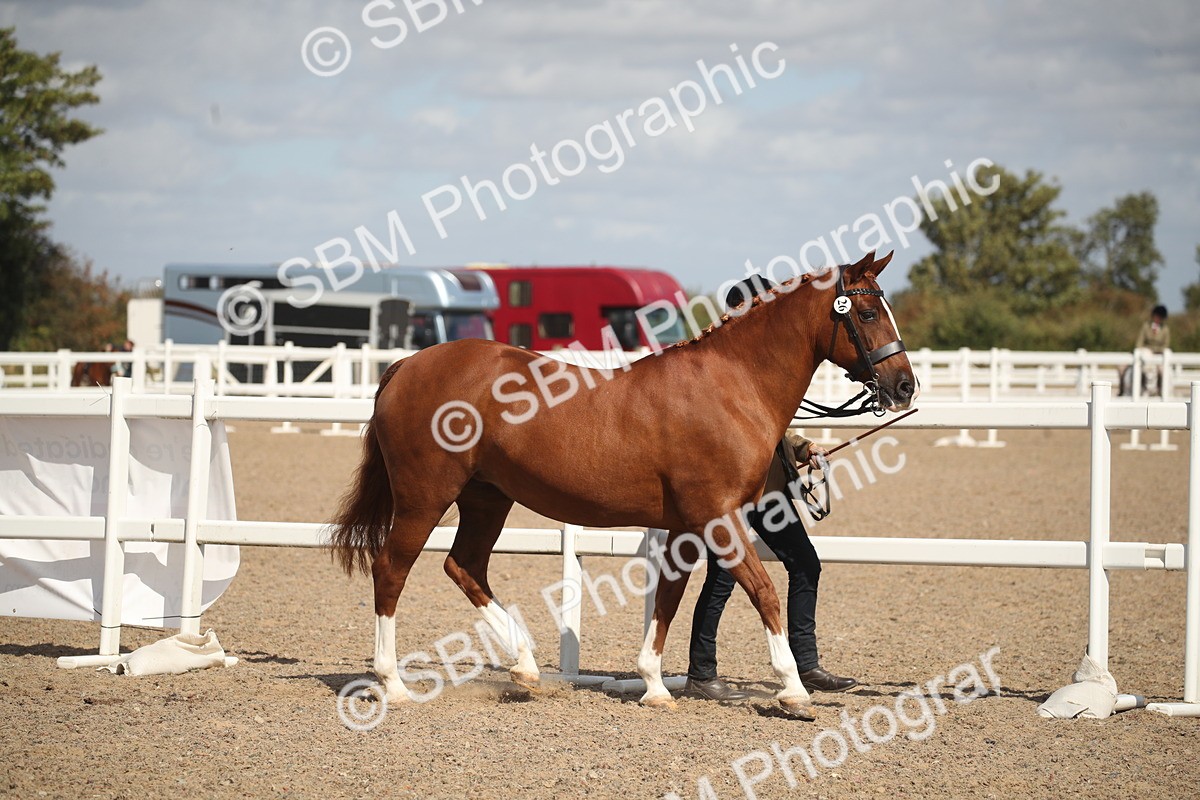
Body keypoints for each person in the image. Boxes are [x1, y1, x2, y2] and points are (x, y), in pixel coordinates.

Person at [684, 277, 857, 702]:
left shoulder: (762, 359)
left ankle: (807, 665)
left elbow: (766, 426)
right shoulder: (721, 360)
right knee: (722, 577)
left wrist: (801, 446)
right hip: (730, 490)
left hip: (770, 487)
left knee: (805, 565)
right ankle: (701, 673)